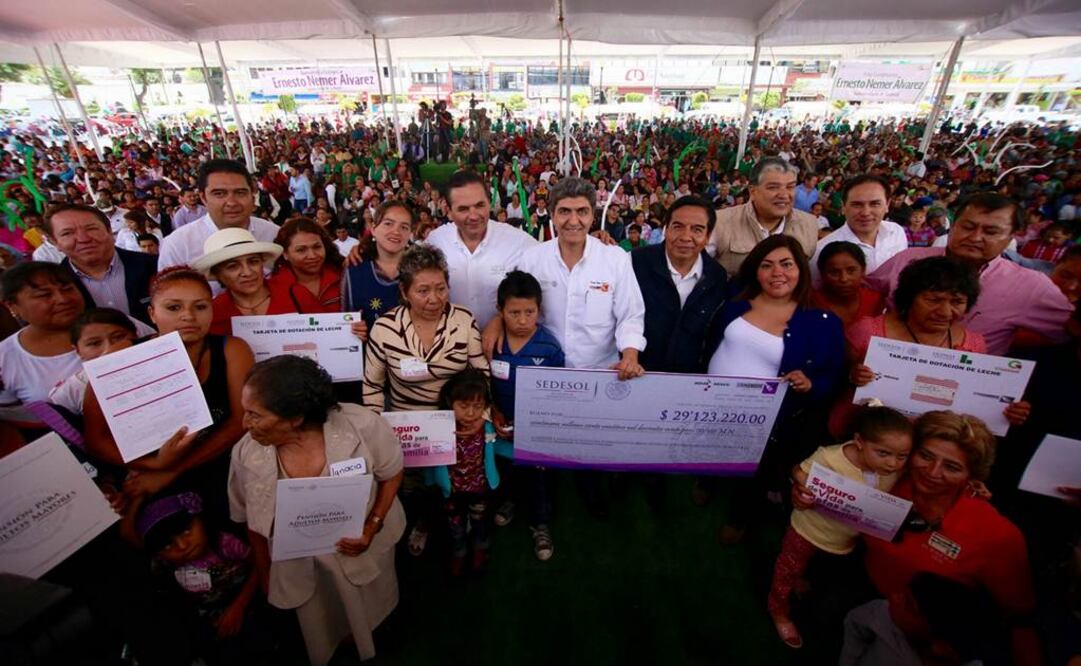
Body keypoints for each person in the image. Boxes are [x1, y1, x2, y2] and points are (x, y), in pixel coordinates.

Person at [228, 355, 405, 665]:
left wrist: (372, 525)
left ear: (295, 417)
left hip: (362, 554)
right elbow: (250, 520)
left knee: (368, 617)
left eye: (255, 414)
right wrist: (265, 571)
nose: (245, 424)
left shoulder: (361, 424)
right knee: (318, 627)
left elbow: (391, 473)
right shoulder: (246, 454)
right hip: (298, 570)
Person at [861, 411, 1042, 666]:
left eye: (952, 467)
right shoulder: (886, 480)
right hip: (868, 594)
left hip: (928, 641)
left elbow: (1019, 617)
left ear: (972, 475)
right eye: (925, 456)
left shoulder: (997, 535)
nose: (933, 473)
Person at [704, 235, 845, 543]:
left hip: (765, 422)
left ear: (801, 270)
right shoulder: (736, 302)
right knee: (710, 451)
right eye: (767, 265)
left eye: (786, 264)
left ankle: (739, 517)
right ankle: (708, 482)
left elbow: (833, 376)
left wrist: (810, 383)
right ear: (756, 271)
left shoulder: (820, 322)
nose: (777, 272)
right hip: (713, 406)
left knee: (755, 470)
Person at [84, 268, 254, 518]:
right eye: (174, 308)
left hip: (218, 462)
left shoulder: (232, 349)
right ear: (152, 313)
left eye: (200, 307)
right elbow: (96, 439)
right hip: (142, 471)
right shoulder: (121, 357)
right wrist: (155, 465)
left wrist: (173, 470)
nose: (188, 316)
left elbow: (240, 421)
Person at [836, 256, 1030, 436]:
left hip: (933, 444)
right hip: (867, 435)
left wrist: (1004, 409)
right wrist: (853, 376)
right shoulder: (867, 331)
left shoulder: (973, 344)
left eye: (957, 302)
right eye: (934, 300)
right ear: (909, 297)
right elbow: (833, 380)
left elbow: (974, 402)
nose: (945, 312)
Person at [770, 407, 913, 648]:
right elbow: (800, 473)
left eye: (902, 456)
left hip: (848, 543)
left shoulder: (897, 471)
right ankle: (779, 611)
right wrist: (803, 489)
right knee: (786, 572)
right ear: (859, 441)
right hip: (806, 532)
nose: (893, 463)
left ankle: (802, 584)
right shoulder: (828, 458)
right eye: (883, 453)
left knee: (817, 574)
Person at [867, 192, 1074, 355]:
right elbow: (863, 295)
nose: (975, 237)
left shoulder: (1031, 286)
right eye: (967, 227)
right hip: (886, 379)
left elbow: (1071, 331)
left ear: (1011, 237)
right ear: (953, 225)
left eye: (990, 232)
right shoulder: (907, 260)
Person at [134, 491, 273, 664]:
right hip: (206, 617)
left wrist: (238, 607)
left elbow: (260, 566)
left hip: (244, 603)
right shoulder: (163, 564)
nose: (183, 545)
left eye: (186, 531)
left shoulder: (225, 544)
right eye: (168, 545)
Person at [488, 271, 565, 560]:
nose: (522, 320)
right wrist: (493, 411)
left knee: (539, 479)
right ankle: (509, 502)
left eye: (529, 312)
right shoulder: (491, 343)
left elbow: (559, 396)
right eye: (514, 312)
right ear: (500, 311)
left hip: (537, 432)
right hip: (502, 427)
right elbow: (485, 382)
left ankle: (540, 523)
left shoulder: (549, 347)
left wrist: (539, 426)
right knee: (507, 471)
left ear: (540, 310)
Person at [362, 244, 489, 414]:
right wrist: (377, 428)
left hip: (457, 424)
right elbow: (372, 386)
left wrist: (480, 416)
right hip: (406, 428)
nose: (434, 299)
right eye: (423, 291)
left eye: (441, 289)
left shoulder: (463, 319)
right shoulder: (385, 328)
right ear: (404, 292)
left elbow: (482, 374)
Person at [424, 170, 536, 328]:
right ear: (448, 212)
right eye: (463, 209)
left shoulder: (518, 242)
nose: (474, 216)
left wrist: (500, 320)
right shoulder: (435, 241)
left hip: (501, 347)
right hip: (450, 346)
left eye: (480, 205)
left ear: (489, 203)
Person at [631, 195, 728, 374]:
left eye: (697, 230)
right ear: (665, 229)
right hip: (635, 373)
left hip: (688, 380)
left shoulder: (716, 277)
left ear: (707, 236)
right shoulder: (635, 262)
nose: (686, 237)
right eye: (678, 227)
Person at [433, 369, 502, 575]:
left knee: (481, 522)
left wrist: (532, 457)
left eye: (477, 406)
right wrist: (430, 479)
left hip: (480, 489)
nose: (471, 413)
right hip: (451, 491)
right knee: (455, 526)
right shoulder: (439, 428)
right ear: (449, 401)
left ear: (485, 406)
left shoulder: (488, 428)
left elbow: (503, 448)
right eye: (463, 406)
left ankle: (480, 549)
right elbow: (430, 458)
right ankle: (459, 552)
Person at [159, 160, 280, 272]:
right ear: (203, 198)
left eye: (240, 193)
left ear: (252, 198)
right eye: (219, 194)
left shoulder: (273, 234)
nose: (232, 202)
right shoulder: (178, 245)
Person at [47, 203, 159, 325]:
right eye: (67, 233)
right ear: (54, 242)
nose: (83, 239)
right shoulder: (51, 286)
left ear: (109, 231)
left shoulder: (155, 265)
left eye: (91, 228)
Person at [708, 157, 818, 274]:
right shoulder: (720, 221)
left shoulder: (809, 224)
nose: (784, 195)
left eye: (790, 187)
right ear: (753, 191)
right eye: (773, 187)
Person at [0, 262, 88, 410]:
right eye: (44, 295)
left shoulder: (120, 325)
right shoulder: (4, 358)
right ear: (11, 306)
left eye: (67, 289)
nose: (62, 299)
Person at [191, 228, 290, 336]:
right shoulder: (212, 313)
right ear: (217, 274)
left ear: (262, 263)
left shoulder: (296, 295)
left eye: (253, 262)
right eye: (233, 266)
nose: (247, 272)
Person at [811, 175, 908, 284]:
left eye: (875, 204)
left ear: (887, 204)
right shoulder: (821, 250)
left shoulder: (896, 232)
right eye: (857, 205)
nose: (866, 213)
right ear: (843, 207)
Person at [48, 307, 138, 416]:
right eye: (94, 343)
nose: (109, 348)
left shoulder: (159, 364)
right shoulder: (69, 392)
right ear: (78, 350)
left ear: (135, 336)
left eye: (118, 337)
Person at [343, 201, 415, 329]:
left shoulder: (422, 269)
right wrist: (352, 330)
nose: (396, 232)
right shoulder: (354, 269)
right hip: (370, 348)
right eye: (388, 224)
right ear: (373, 229)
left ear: (410, 234)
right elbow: (344, 320)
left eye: (404, 227)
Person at [267, 217, 343, 314]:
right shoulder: (272, 289)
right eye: (301, 250)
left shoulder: (344, 276)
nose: (312, 256)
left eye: (317, 247)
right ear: (285, 254)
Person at [810, 241, 885, 328]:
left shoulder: (875, 301)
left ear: (863, 270)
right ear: (822, 274)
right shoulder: (812, 303)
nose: (844, 279)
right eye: (834, 272)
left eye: (851, 271)